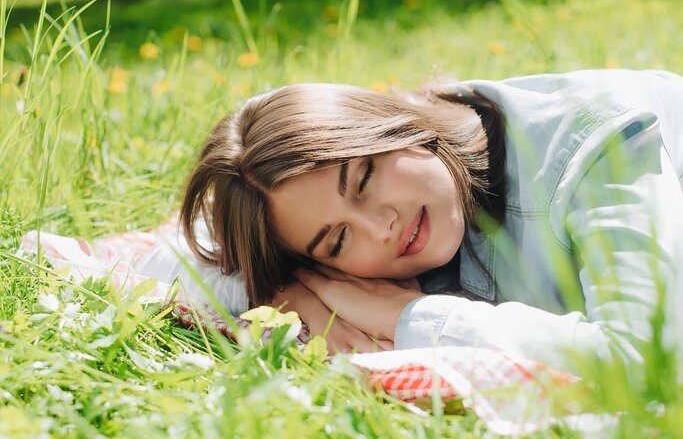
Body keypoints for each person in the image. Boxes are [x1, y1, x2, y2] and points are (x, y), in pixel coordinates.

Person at [180, 69, 683, 374]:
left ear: (398, 127)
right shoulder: (394, 249)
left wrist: (405, 318)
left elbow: (653, 362)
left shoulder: (590, 143)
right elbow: (189, 257)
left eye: (364, 179)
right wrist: (288, 295)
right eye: (337, 241)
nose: (382, 228)